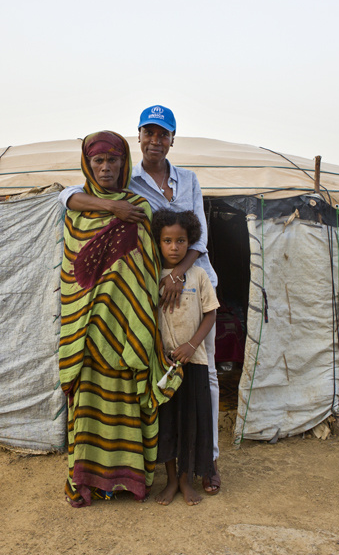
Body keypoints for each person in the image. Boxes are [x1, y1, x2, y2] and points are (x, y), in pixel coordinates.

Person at [58, 105, 223, 495]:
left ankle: (208, 461)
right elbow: (66, 196)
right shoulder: (126, 185)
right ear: (139, 138)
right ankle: (168, 467)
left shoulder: (187, 181)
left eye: (162, 134)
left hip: (193, 284)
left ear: (171, 140)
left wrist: (179, 272)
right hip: (148, 300)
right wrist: (112, 205)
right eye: (148, 133)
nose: (155, 140)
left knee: (207, 374)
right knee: (164, 371)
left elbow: (197, 239)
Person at [58, 130, 178, 507]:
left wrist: (136, 316)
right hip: (88, 331)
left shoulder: (140, 209)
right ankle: (88, 480)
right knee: (90, 405)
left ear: (124, 163)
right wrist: (111, 210)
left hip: (128, 329)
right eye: (98, 161)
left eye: (113, 160)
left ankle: (127, 479)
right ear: (88, 164)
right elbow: (71, 276)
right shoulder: (77, 211)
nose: (106, 167)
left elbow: (148, 267)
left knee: (125, 401)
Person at [151, 210, 219, 506]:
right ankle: (170, 481)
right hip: (163, 366)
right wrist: (158, 353)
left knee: (192, 424)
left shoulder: (199, 275)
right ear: (159, 242)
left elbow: (210, 312)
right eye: (168, 240)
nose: (175, 247)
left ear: (189, 241)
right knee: (167, 425)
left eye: (181, 240)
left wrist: (192, 345)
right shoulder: (151, 275)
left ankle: (186, 480)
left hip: (194, 363)